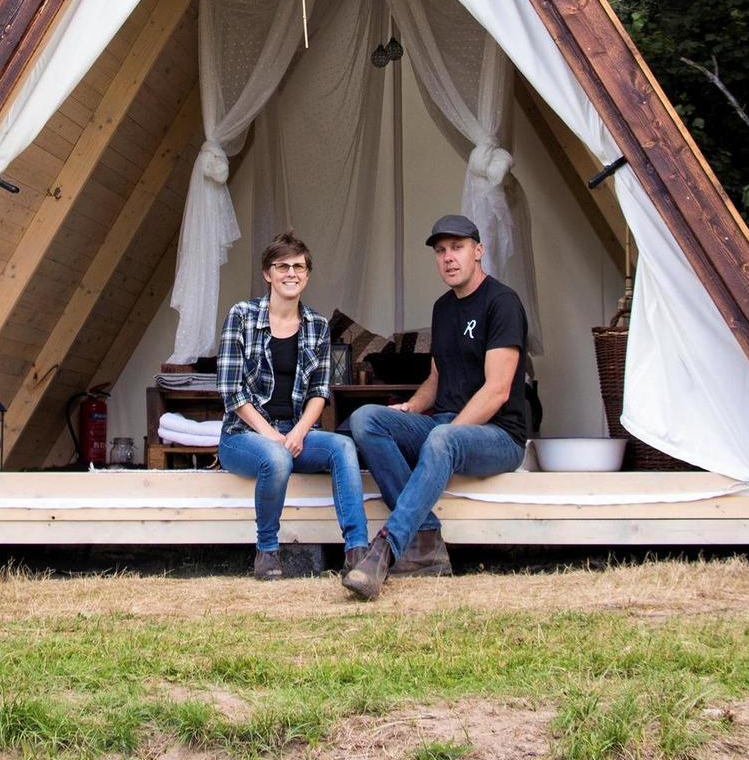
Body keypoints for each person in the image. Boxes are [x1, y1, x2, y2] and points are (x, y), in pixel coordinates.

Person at [344, 213, 531, 599]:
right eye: (441, 250)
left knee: (441, 438)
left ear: (478, 252)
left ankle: (385, 549)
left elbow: (497, 390)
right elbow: (435, 378)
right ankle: (426, 541)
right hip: (447, 425)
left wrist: (446, 433)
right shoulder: (443, 308)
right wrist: (410, 410)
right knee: (366, 420)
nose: (448, 258)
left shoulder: (502, 303)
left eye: (457, 248)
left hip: (498, 435)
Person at [217, 232, 371, 579]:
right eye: (282, 266)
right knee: (276, 456)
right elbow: (231, 390)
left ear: (307, 274)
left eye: (299, 266)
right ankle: (267, 552)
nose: (291, 273)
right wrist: (272, 435)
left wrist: (300, 432)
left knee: (343, 446)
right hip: (244, 435)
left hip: (296, 433)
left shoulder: (316, 326)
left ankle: (357, 550)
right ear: (267, 274)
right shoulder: (241, 316)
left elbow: (320, 391)